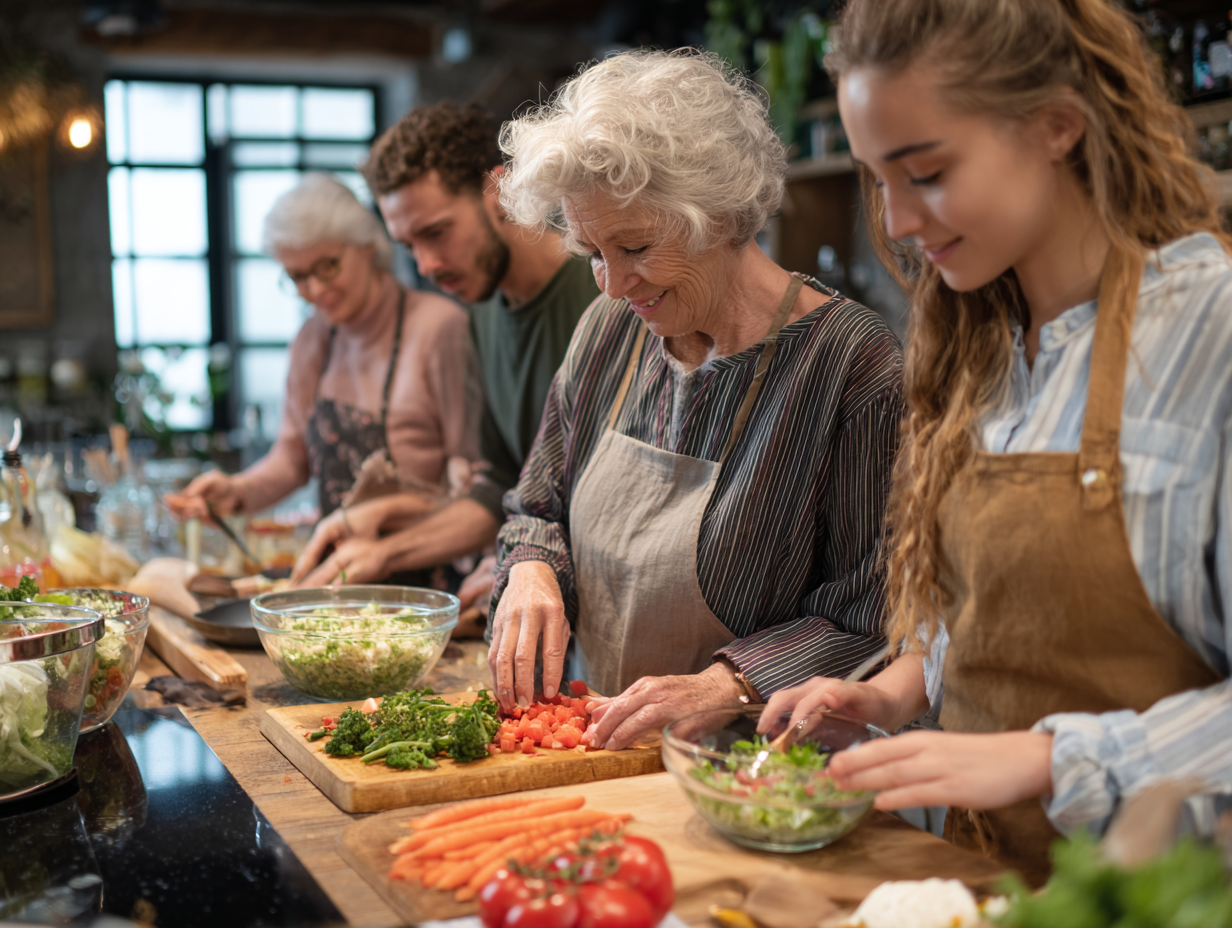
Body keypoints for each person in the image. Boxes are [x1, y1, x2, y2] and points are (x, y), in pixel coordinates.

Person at [761, 0, 1232, 885]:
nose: (898, 220)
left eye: (926, 173)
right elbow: (983, 617)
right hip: (981, 881)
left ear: (1057, 125)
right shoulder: (974, 347)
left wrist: (1049, 758)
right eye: (878, 180)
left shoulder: (1211, 329)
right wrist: (891, 693)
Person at [489, 49, 903, 749]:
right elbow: (536, 507)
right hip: (593, 745)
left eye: (636, 247)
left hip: (756, 769)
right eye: (592, 253)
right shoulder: (608, 331)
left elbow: (870, 617)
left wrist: (726, 685)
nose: (612, 284)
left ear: (719, 215)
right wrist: (531, 569)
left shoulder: (851, 364)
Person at [290, 104, 600, 624]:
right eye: (409, 245)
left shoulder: (604, 294)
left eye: (436, 232)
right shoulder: (481, 311)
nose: (426, 265)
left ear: (498, 190)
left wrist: (526, 560)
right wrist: (381, 546)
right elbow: (497, 490)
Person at [166, 174, 478, 541]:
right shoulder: (311, 340)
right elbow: (291, 459)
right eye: (297, 276)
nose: (314, 289)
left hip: (426, 556)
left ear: (367, 245)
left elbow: (473, 481)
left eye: (327, 266)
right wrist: (237, 491)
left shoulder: (438, 327)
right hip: (337, 560)